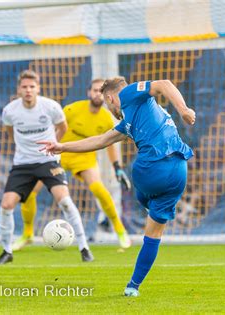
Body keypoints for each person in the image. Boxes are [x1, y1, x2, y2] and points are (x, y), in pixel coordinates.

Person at [38, 77, 195, 297]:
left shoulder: (128, 94)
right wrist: (62, 146)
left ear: (111, 97)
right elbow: (100, 141)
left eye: (106, 104)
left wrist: (184, 109)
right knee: (154, 233)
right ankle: (133, 286)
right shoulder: (129, 122)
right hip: (179, 171)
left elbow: (165, 84)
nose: (109, 109)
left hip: (151, 168)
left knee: (140, 189)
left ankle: (142, 209)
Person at [13, 78, 133, 251]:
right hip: (59, 154)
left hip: (84, 157)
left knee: (98, 188)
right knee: (30, 192)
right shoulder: (72, 109)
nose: (97, 94)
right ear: (88, 93)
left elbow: (110, 144)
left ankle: (121, 232)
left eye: (101, 91)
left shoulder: (107, 118)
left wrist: (117, 168)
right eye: (94, 90)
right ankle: (28, 234)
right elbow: (52, 129)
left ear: (107, 96)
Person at [0, 69, 94, 265]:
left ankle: (84, 247)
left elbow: (63, 127)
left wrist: (53, 146)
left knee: (64, 200)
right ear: (19, 90)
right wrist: (23, 149)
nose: (28, 90)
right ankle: (6, 251)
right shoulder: (10, 111)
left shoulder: (51, 107)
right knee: (6, 205)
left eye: (32, 87)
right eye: (24, 87)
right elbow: (9, 131)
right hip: (22, 164)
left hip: (47, 162)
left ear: (38, 89)